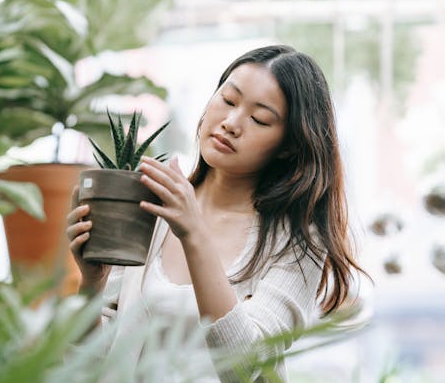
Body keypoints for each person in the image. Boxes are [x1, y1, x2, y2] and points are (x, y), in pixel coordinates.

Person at [66, 45, 366, 381]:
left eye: (260, 119)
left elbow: (246, 367)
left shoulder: (297, 241)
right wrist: (92, 283)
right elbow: (86, 365)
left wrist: (194, 234)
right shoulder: (150, 209)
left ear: (290, 146)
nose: (232, 123)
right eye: (228, 100)